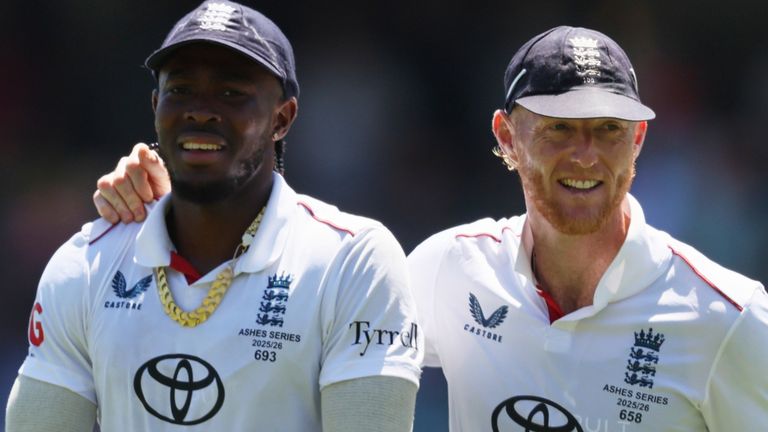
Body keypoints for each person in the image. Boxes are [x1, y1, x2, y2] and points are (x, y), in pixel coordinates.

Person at [82, 26, 768, 431]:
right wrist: (179, 199)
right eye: (558, 129)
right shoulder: (447, 268)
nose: (586, 155)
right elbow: (295, 302)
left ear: (640, 141)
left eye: (609, 132)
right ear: (507, 136)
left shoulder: (733, 319)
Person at [5, 1, 421, 431]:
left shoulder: (352, 261)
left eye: (231, 93)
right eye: (180, 90)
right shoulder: (85, 265)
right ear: (155, 106)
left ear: (282, 118)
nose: (200, 110)